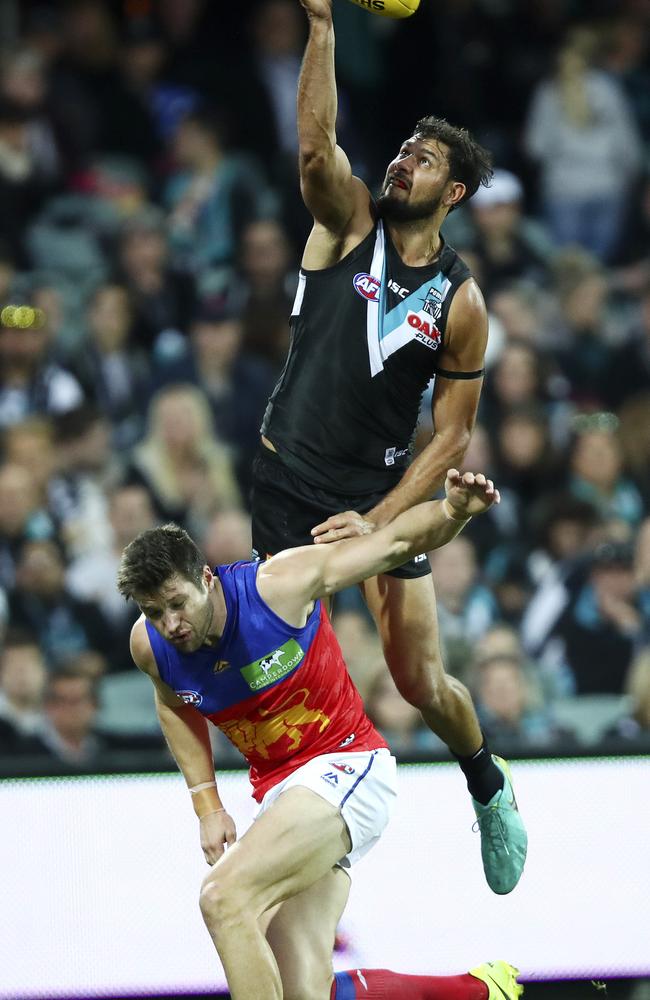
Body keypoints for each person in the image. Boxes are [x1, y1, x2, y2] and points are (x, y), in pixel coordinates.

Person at [251, 0, 526, 895]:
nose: (403, 158)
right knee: (286, 671)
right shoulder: (345, 224)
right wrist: (323, 29)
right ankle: (295, 823)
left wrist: (370, 523)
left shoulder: (460, 300)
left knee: (418, 680)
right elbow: (312, 148)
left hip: (372, 501)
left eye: (426, 157)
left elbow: (450, 440)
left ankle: (485, 777)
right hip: (287, 485)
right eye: (405, 146)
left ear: (452, 194)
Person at [118, 469, 523, 1000]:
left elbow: (394, 542)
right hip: (282, 797)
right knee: (302, 990)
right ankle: (478, 990)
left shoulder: (277, 587)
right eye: (154, 612)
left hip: (347, 766)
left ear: (207, 578)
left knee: (223, 897)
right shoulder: (150, 646)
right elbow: (174, 704)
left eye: (177, 603)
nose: (170, 623)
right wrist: (207, 805)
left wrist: (452, 512)